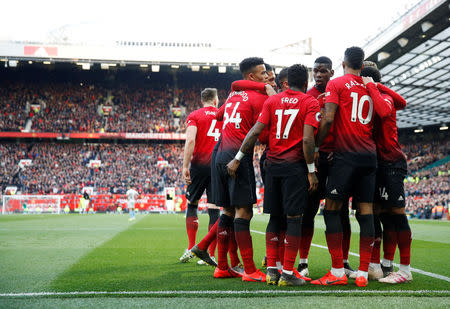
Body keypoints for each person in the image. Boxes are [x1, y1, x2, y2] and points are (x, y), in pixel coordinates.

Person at [227, 64, 320, 286]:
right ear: (305, 83)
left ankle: (272, 272)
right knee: (294, 218)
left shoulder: (272, 100)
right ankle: (288, 273)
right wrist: (311, 171)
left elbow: (255, 131)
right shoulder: (310, 101)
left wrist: (238, 158)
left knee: (275, 218)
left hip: (272, 167)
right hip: (295, 168)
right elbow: (308, 140)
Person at [312, 46, 392, 287]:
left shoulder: (336, 84)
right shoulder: (372, 86)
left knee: (332, 209)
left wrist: (316, 148)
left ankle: (337, 271)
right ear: (362, 64)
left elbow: (327, 119)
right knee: (366, 212)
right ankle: (363, 272)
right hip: (369, 157)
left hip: (345, 156)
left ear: (343, 62)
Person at [213, 57, 274, 282]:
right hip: (238, 157)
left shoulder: (232, 95)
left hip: (219, 155)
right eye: (263, 73)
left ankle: (221, 267)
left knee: (227, 212)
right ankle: (249, 270)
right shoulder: (260, 98)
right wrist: (267, 93)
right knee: (244, 212)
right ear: (251, 76)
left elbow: (219, 116)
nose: (267, 76)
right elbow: (264, 132)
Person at [298, 56, 356, 279]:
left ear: (332, 73)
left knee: (341, 213)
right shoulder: (307, 97)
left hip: (338, 160)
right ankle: (303, 262)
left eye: (323, 71)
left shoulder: (340, 92)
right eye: (316, 71)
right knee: (309, 211)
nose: (318, 74)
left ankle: (343, 261)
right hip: (315, 160)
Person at [360, 65, 413, 284]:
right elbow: (402, 102)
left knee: (396, 214)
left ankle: (405, 270)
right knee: (379, 214)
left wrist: (374, 85)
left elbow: (396, 104)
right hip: (376, 164)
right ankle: (382, 265)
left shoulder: (382, 97)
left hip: (391, 161)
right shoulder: (366, 98)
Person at [179, 88, 222, 266]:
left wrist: (184, 166)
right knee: (214, 208)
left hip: (198, 165)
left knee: (192, 203)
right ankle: (209, 254)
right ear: (214, 100)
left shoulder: (195, 115)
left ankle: (191, 248)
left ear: (202, 100)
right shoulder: (222, 115)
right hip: (216, 165)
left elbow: (190, 140)